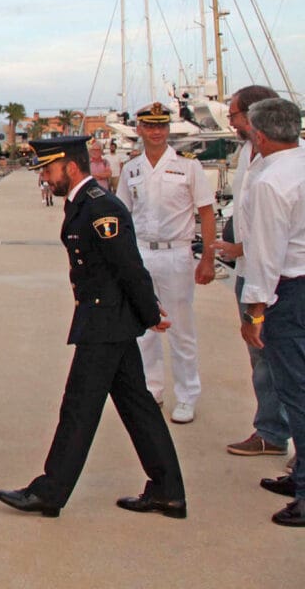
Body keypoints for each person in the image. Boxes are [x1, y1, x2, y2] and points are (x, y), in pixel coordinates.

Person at [0, 136, 186, 519]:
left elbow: (128, 266)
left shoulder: (101, 208)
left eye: (49, 170)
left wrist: (150, 313)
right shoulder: (83, 203)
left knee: (79, 408)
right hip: (105, 320)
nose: (45, 178)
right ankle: (167, 492)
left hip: (105, 323)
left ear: (70, 166)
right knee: (138, 407)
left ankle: (50, 492)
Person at [118, 102, 217, 424]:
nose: (156, 131)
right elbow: (123, 216)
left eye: (161, 125)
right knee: (144, 329)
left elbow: (206, 213)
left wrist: (208, 258)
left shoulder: (188, 166)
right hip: (142, 253)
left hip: (177, 254)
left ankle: (187, 396)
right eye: (150, 126)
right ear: (139, 129)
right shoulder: (131, 169)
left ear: (168, 128)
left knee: (181, 329)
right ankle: (152, 390)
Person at [235, 97, 305, 527]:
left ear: (259, 135)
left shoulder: (269, 181)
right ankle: (299, 473)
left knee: (295, 390)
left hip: (289, 292)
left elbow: (265, 255)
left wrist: (254, 312)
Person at [213, 85, 290, 457]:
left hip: (279, 275)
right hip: (249, 268)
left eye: (234, 116)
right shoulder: (247, 153)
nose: (231, 123)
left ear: (254, 115)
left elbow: (278, 227)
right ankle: (271, 430)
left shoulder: (286, 163)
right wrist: (238, 247)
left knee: (287, 359)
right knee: (261, 357)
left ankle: (290, 442)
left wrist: (245, 248)